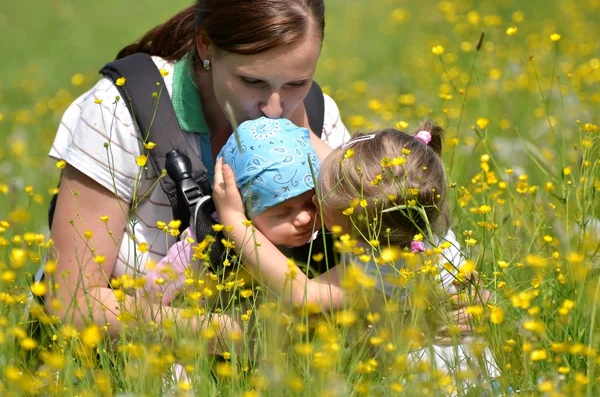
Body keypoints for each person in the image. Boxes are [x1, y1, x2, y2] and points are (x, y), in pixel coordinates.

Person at [45, 0, 349, 350]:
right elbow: (71, 299)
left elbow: (382, 246)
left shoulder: (315, 113)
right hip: (130, 355)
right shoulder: (122, 110)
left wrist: (315, 149)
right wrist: (238, 336)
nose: (273, 108)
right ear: (206, 45)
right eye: (252, 80)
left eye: (298, 83)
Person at [213, 121, 499, 386]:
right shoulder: (420, 225)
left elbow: (302, 295)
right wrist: (299, 124)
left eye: (320, 201)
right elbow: (356, 179)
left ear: (355, 232)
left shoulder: (383, 267)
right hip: (480, 375)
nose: (313, 200)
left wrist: (235, 221)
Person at [139, 116, 322, 305]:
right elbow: (146, 302)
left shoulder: (322, 237)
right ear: (242, 209)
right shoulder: (207, 246)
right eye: (283, 212)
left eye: (311, 203)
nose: (305, 218)